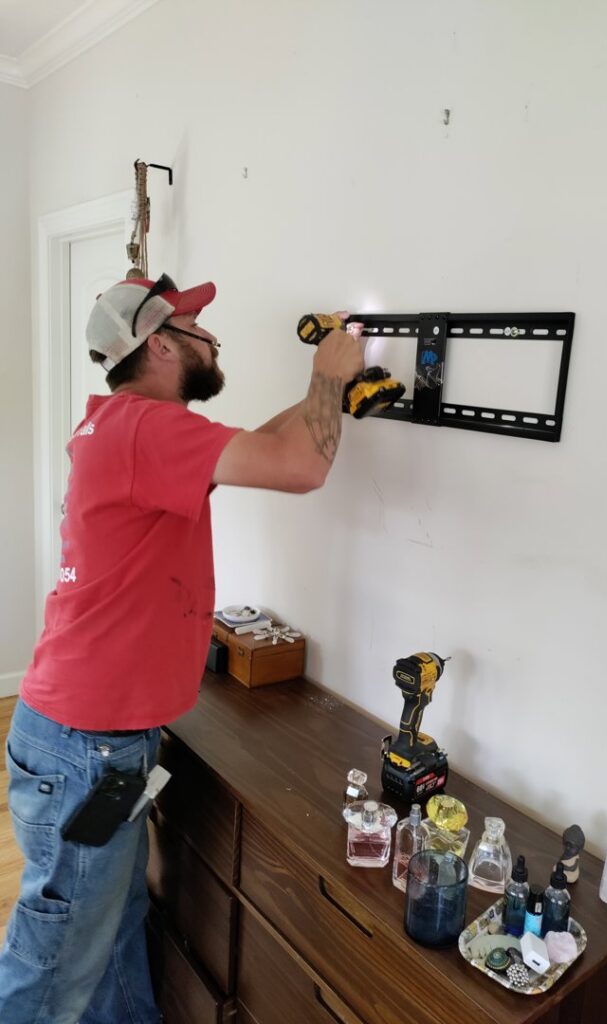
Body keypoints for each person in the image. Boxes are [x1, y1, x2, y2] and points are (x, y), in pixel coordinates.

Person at [0, 274, 364, 1023]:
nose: (214, 340)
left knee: (112, 924)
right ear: (160, 343)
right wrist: (328, 374)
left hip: (96, 744)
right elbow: (301, 467)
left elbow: (263, 450)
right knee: (57, 958)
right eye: (200, 329)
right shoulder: (146, 429)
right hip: (88, 756)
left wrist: (328, 401)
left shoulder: (124, 428)